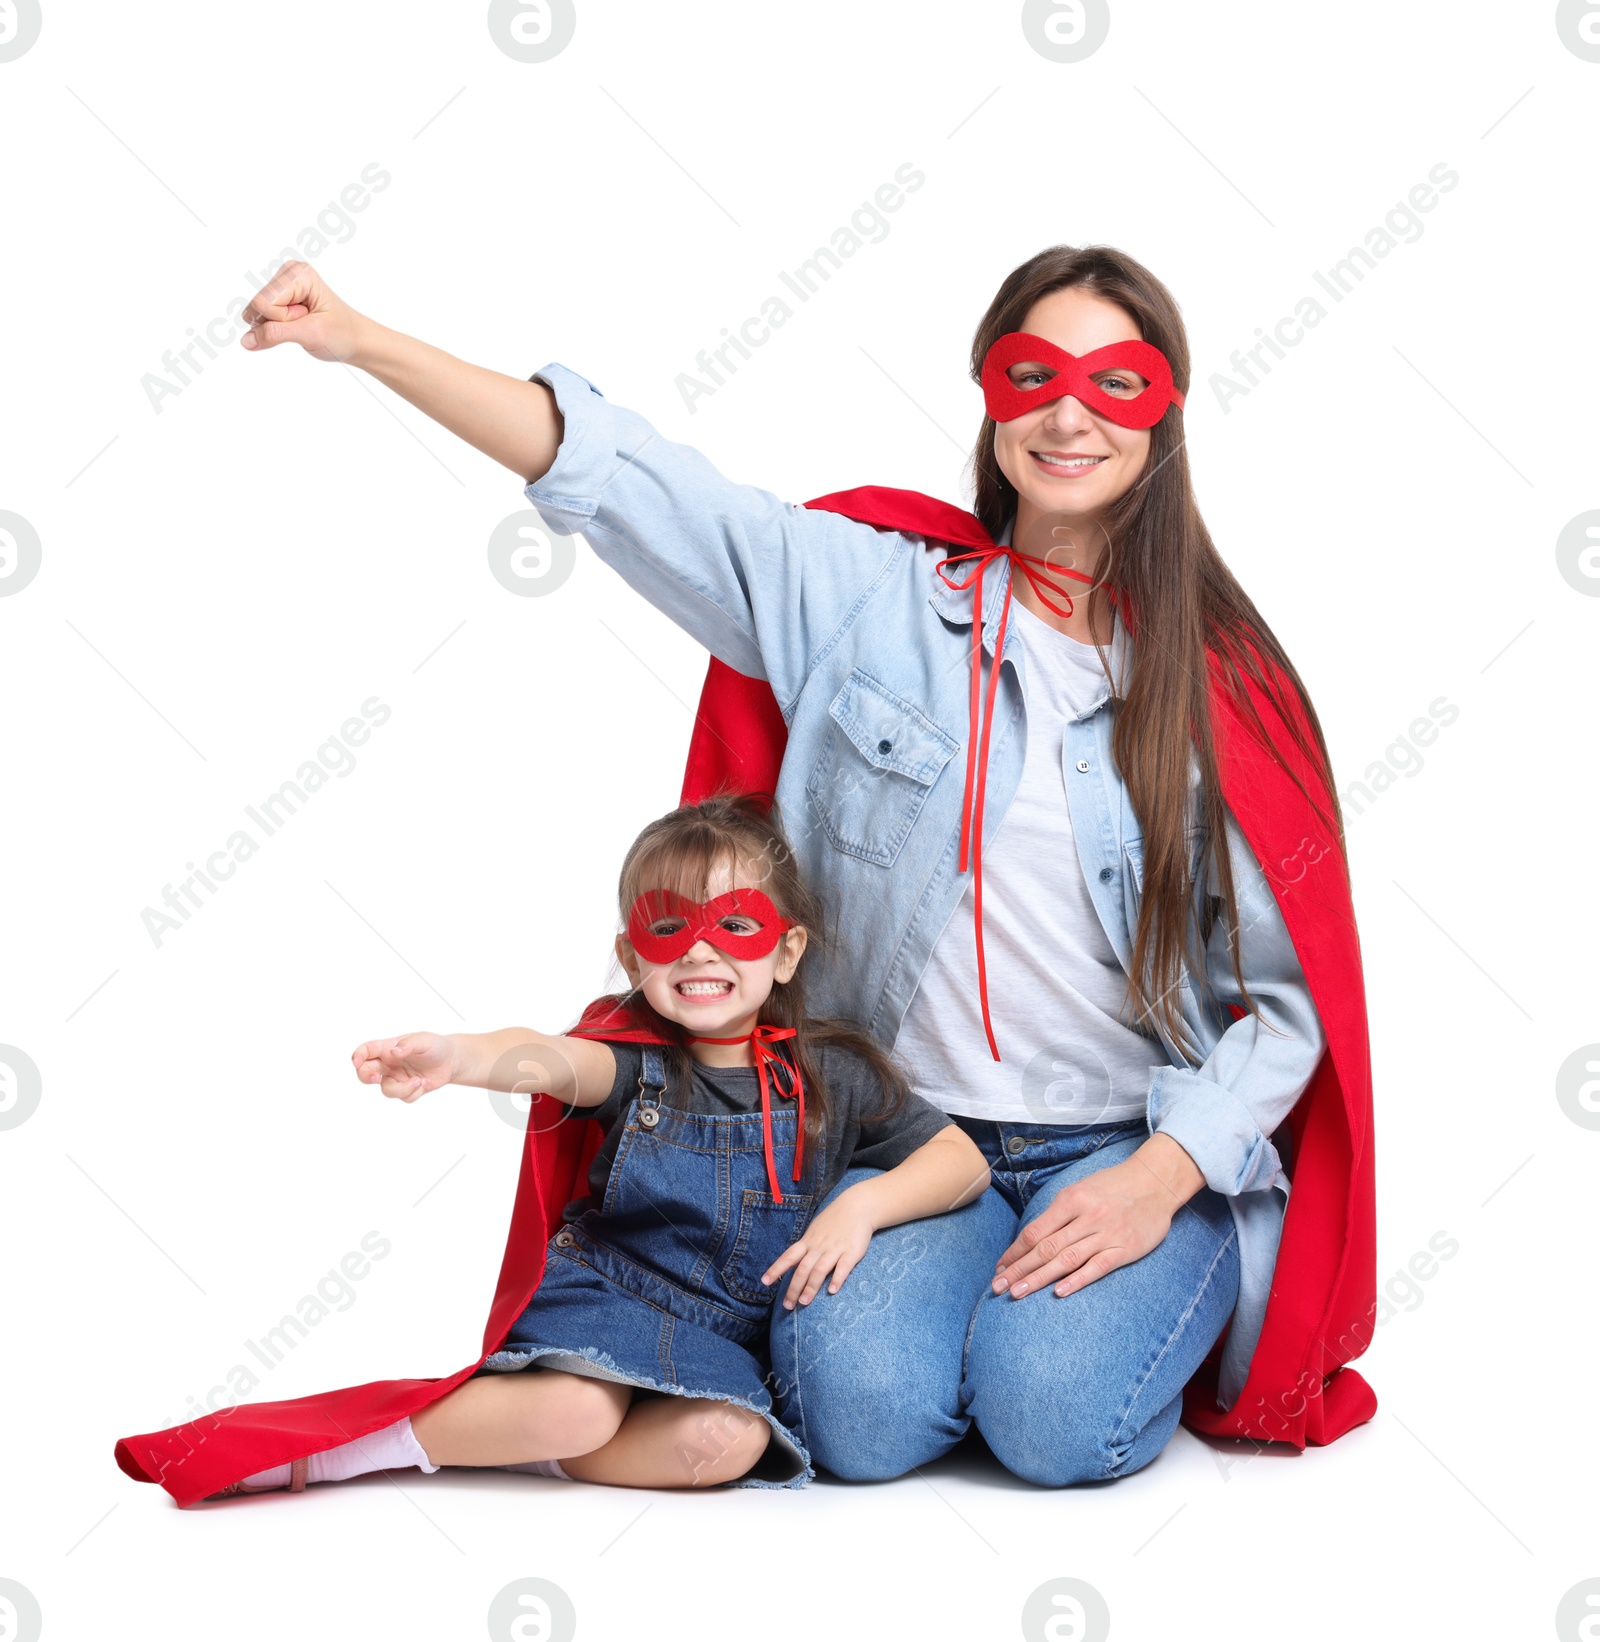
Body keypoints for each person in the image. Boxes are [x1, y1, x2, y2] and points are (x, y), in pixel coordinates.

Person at [229, 243, 1362, 1486]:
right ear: (989, 397)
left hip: (1119, 1142)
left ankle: (1086, 1322)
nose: (1068, 413)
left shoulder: (1216, 683)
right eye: (1032, 374)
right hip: (908, 1144)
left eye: (1116, 383)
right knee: (861, 1424)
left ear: (1167, 415)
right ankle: (988, 1318)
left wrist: (1159, 1182)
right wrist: (361, 339)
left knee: (1055, 1429)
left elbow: (1287, 1002)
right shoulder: (863, 593)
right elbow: (620, 476)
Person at [213, 797, 986, 1495]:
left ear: (786, 952)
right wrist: (459, 1057)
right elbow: (551, 1057)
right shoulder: (638, 1066)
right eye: (669, 927)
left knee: (732, 1442)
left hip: (722, 1339)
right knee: (578, 1408)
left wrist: (862, 1208)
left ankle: (527, 1451)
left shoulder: (835, 1078)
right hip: (607, 1298)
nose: (699, 950)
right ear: (633, 959)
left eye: (736, 925)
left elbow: (963, 1162)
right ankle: (349, 1451)